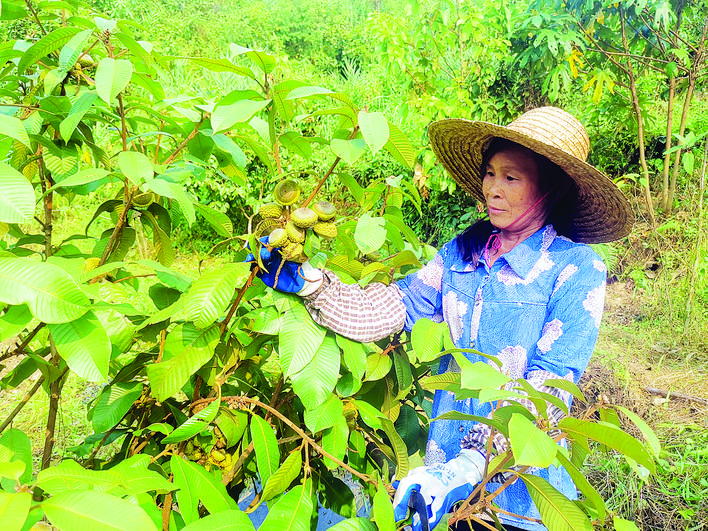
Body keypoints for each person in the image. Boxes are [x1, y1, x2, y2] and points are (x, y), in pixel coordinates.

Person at [251, 107, 634, 530]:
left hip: (522, 498)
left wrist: (471, 463)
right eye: (490, 173)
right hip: (444, 482)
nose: (492, 189)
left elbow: (552, 382)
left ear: (551, 190)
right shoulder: (461, 255)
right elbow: (394, 308)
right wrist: (312, 284)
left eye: (511, 178)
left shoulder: (577, 269)